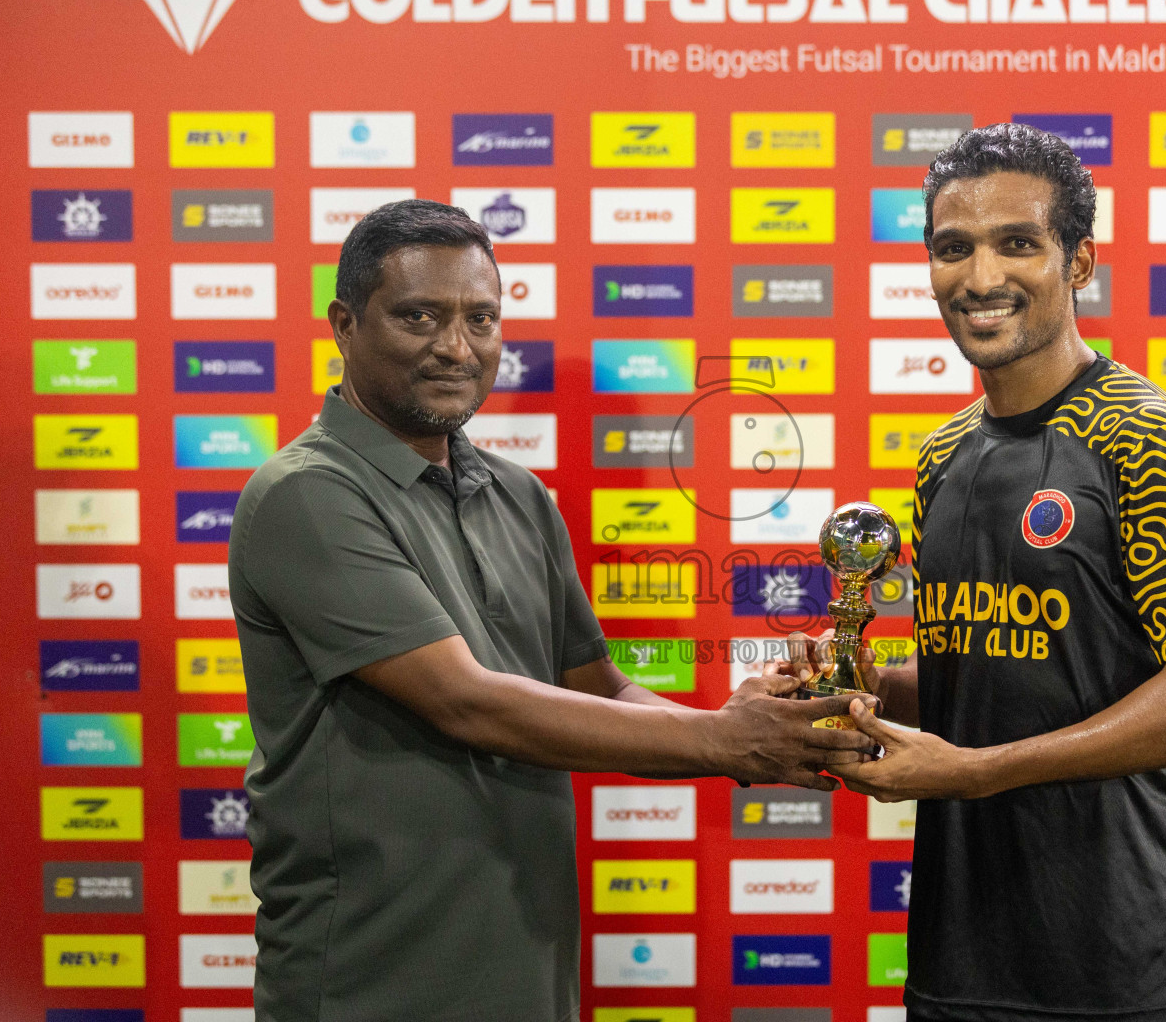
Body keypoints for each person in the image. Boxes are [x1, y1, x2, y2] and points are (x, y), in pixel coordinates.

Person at [228, 199, 876, 1022]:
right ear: (344, 324)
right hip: (368, 978)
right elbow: (465, 701)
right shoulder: (306, 495)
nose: (456, 347)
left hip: (529, 974)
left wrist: (734, 718)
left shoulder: (518, 494)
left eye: (481, 318)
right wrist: (720, 741)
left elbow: (598, 689)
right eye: (418, 315)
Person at [789, 124, 1166, 1022]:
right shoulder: (942, 457)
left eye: (1017, 244)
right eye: (952, 248)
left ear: (1079, 262)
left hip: (1120, 970)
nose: (980, 278)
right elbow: (1000, 674)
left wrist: (973, 772)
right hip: (958, 960)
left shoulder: (1152, 437)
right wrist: (863, 686)